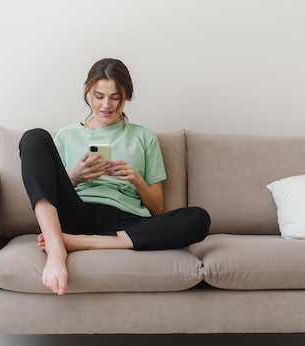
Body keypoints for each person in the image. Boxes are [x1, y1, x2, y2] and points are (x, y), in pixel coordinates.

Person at [19, 58, 211, 296]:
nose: (106, 105)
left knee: (198, 218)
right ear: (88, 92)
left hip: (127, 222)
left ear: (126, 96)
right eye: (99, 96)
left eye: (115, 97)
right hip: (79, 213)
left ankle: (80, 242)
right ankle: (57, 247)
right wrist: (74, 178)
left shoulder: (144, 137)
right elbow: (49, 188)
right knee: (34, 137)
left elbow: (157, 207)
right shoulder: (66, 136)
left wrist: (136, 179)